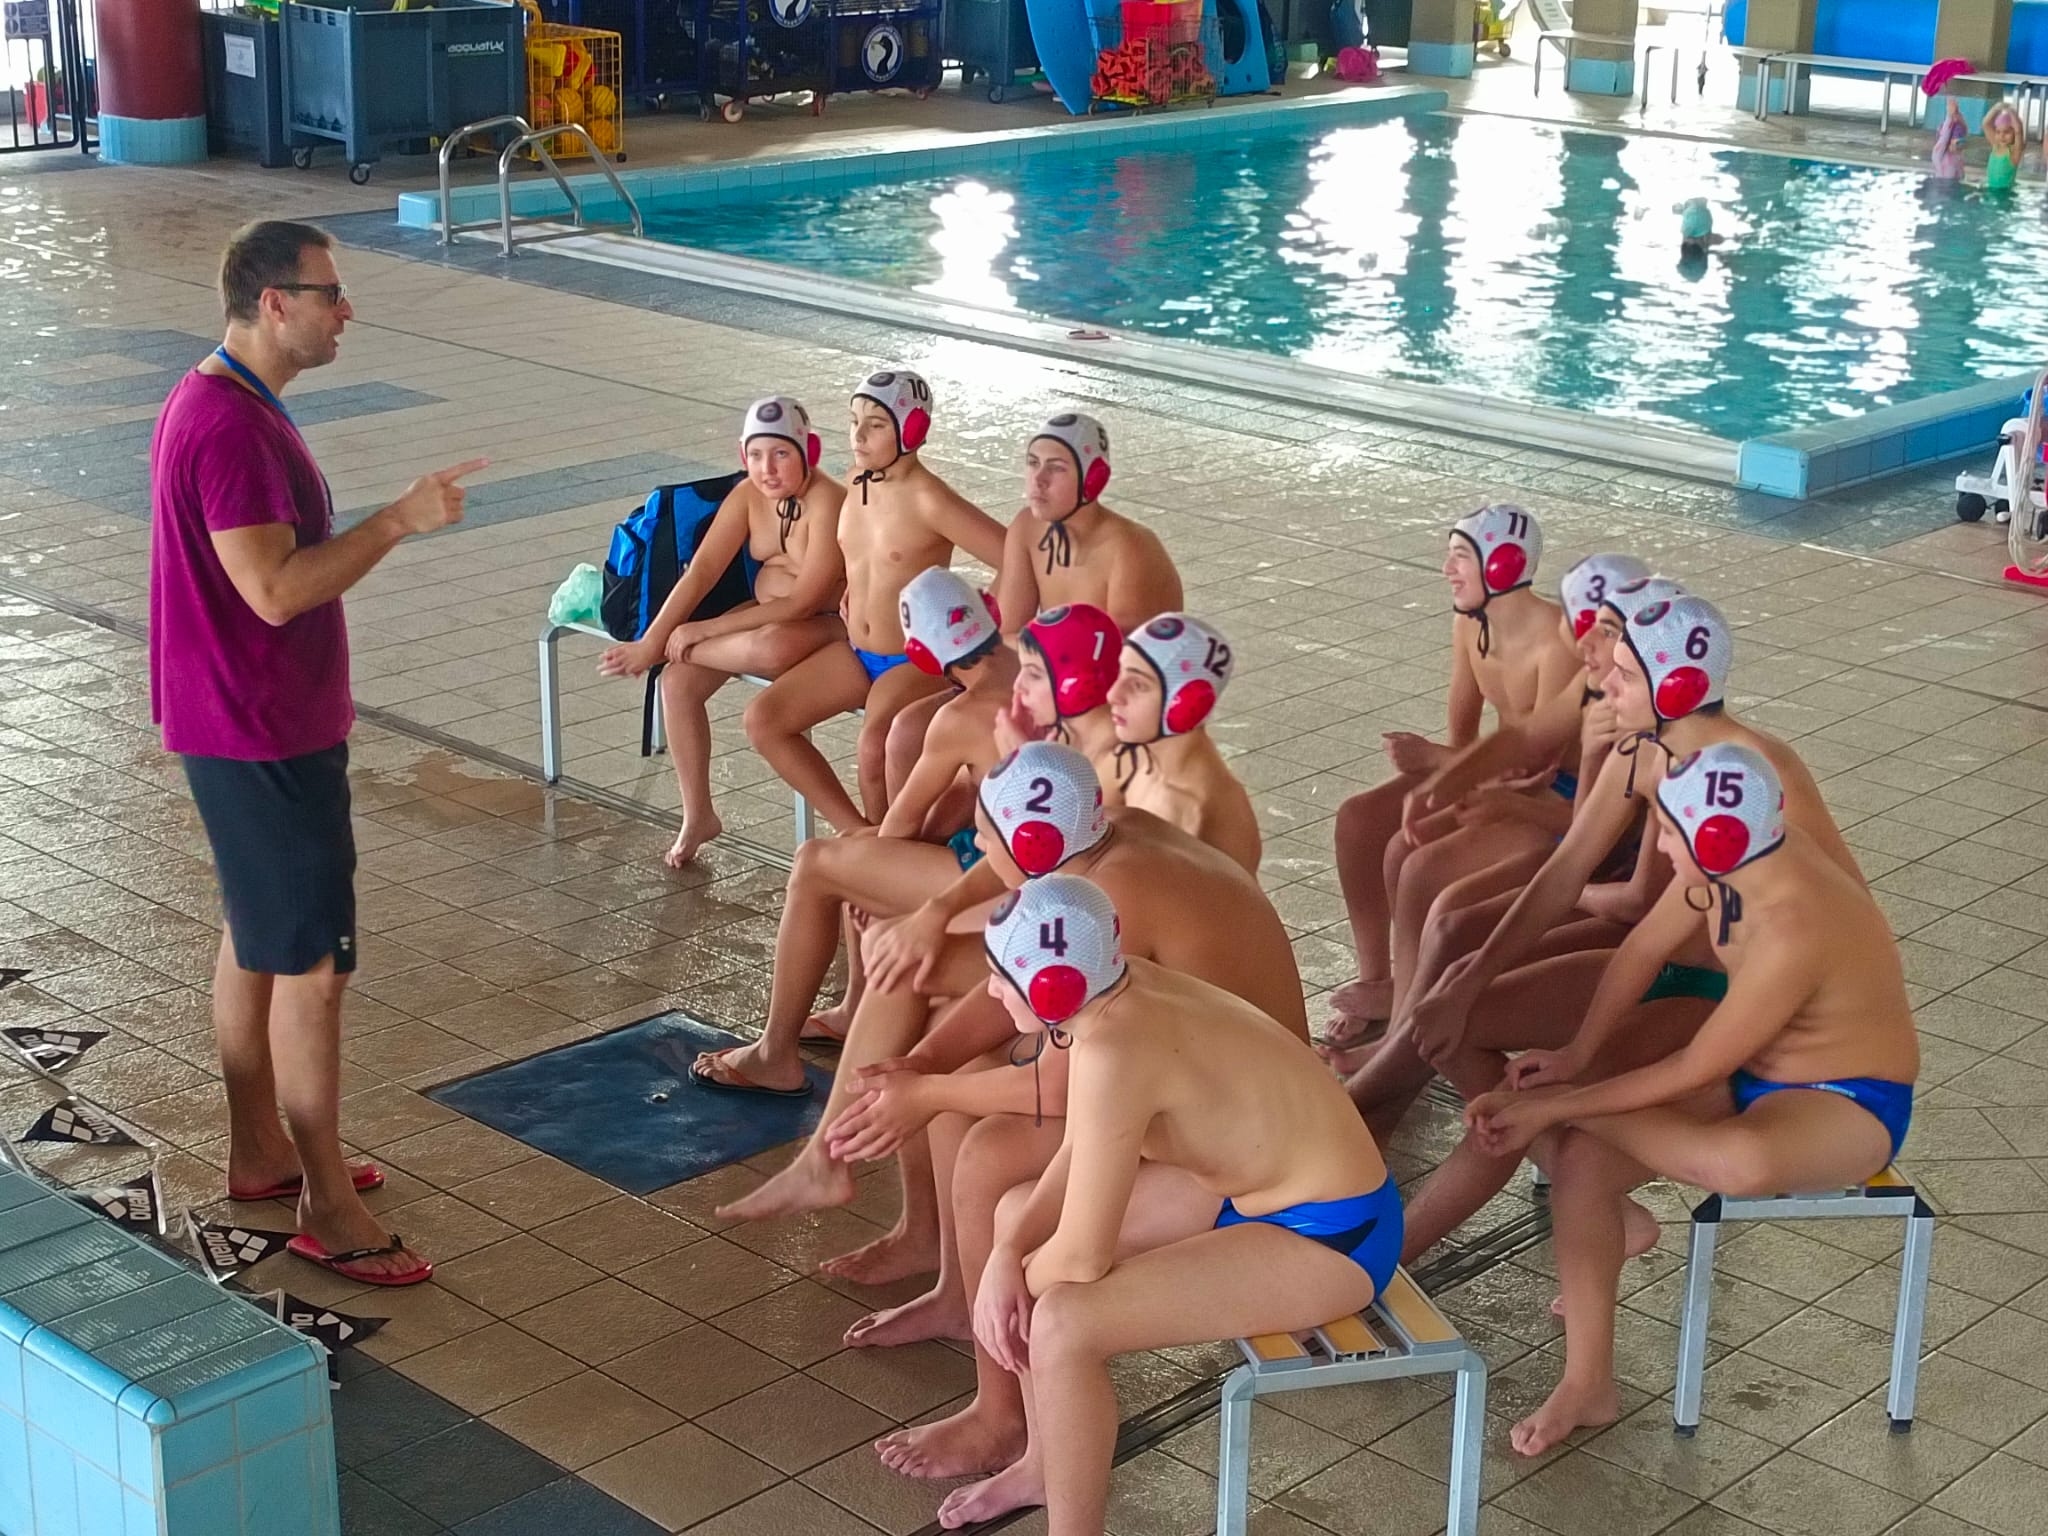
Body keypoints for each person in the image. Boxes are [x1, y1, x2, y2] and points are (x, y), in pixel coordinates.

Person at [149, 221, 484, 1286]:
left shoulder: (224, 402)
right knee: (310, 968)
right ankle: (327, 1207)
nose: (346, 310)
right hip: (260, 728)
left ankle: (260, 1152)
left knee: (256, 939)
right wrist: (398, 521)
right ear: (270, 302)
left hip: (235, 718)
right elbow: (275, 589)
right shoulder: (231, 430)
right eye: (328, 293)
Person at [1464, 743, 1917, 1456]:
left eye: (1669, 832)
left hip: (1847, 1099)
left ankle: (1578, 1113)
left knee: (1738, 1162)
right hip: (1750, 1076)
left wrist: (1562, 1102)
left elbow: (1694, 1064)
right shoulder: (1729, 859)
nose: (1659, 845)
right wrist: (1577, 1056)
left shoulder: (1794, 920)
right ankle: (1589, 1384)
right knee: (1582, 1163)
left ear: (1716, 838)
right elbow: (1642, 952)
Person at [941, 876, 1395, 1534]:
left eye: (999, 976)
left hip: (1334, 1234)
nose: (988, 992)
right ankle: (1044, 1464)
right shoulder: (1116, 991)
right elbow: (1082, 1144)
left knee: (1063, 1322)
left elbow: (1082, 1258)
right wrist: (1008, 1252)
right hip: (1244, 1188)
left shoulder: (1119, 1047)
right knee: (1016, 1217)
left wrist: (1001, 1294)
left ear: (1051, 990)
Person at [688, 568, 1011, 1103]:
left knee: (820, 861)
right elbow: (970, 793)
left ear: (926, 659)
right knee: (857, 860)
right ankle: (853, 1010)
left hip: (1002, 879)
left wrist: (867, 862)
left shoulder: (961, 716)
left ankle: (774, 1056)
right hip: (1058, 860)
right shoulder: (1034, 668)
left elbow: (900, 828)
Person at [1323, 506, 1581, 1049]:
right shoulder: (1470, 623)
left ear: (1504, 564)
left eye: (1459, 556)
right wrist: (1438, 769)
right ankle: (1382, 981)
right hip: (1500, 776)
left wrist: (1436, 766)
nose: (1446, 569)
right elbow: (1463, 742)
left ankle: (1403, 1028)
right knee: (1359, 820)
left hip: (1556, 796)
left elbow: (1537, 766)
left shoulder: (1557, 641)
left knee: (1410, 861)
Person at [743, 370, 1007, 833]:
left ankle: (887, 861)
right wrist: (850, 585)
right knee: (765, 719)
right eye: (853, 421)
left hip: (911, 659)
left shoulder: (929, 499)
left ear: (913, 430)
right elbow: (866, 556)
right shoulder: (857, 481)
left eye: (876, 424)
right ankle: (858, 834)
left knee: (873, 750)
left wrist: (971, 627)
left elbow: (1015, 559)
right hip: (855, 650)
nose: (858, 435)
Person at [595, 397, 848, 866]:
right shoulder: (748, 495)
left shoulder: (829, 502)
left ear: (808, 450)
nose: (767, 469)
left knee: (769, 649)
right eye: (755, 456)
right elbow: (702, 571)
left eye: (781, 454)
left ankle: (852, 829)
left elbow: (805, 600)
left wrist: (702, 630)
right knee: (675, 682)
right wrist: (654, 641)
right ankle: (699, 815)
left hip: (824, 623)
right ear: (741, 456)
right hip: (767, 613)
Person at [884, 412, 1181, 804]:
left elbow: (1119, 670)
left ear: (1092, 478)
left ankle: (964, 847)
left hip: (1107, 711)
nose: (1038, 481)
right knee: (908, 730)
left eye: (1055, 468)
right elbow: (1003, 628)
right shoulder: (1029, 528)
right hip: (1045, 685)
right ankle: (898, 845)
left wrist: (1020, 670)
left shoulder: (1130, 550)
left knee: (963, 766)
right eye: (1032, 464)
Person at [1108, 613, 1260, 874]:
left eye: (1138, 685)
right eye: (1118, 674)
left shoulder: (1189, 809)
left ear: (1186, 704)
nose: (1113, 695)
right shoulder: (1142, 760)